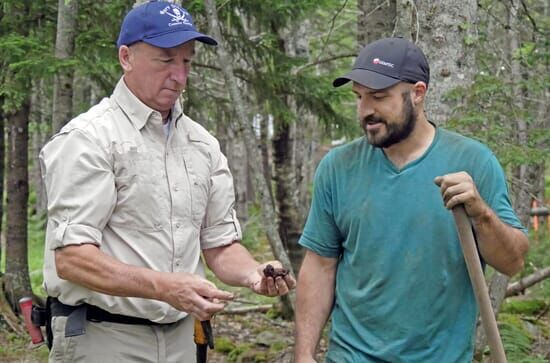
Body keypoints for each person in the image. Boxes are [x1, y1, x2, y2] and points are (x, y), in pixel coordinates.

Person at [39, 2, 295, 362]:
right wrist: (166, 287)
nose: (179, 75)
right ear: (126, 57)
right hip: (105, 338)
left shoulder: (202, 145)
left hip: (183, 341)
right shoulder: (89, 139)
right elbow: (73, 260)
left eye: (187, 61)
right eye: (166, 60)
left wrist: (253, 273)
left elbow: (220, 246)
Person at [294, 37, 529, 362]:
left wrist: (481, 214)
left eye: (379, 97)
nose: (366, 111)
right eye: (359, 98)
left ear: (418, 93)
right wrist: (303, 354)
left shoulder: (472, 161)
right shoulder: (338, 167)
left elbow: (513, 262)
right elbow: (320, 266)